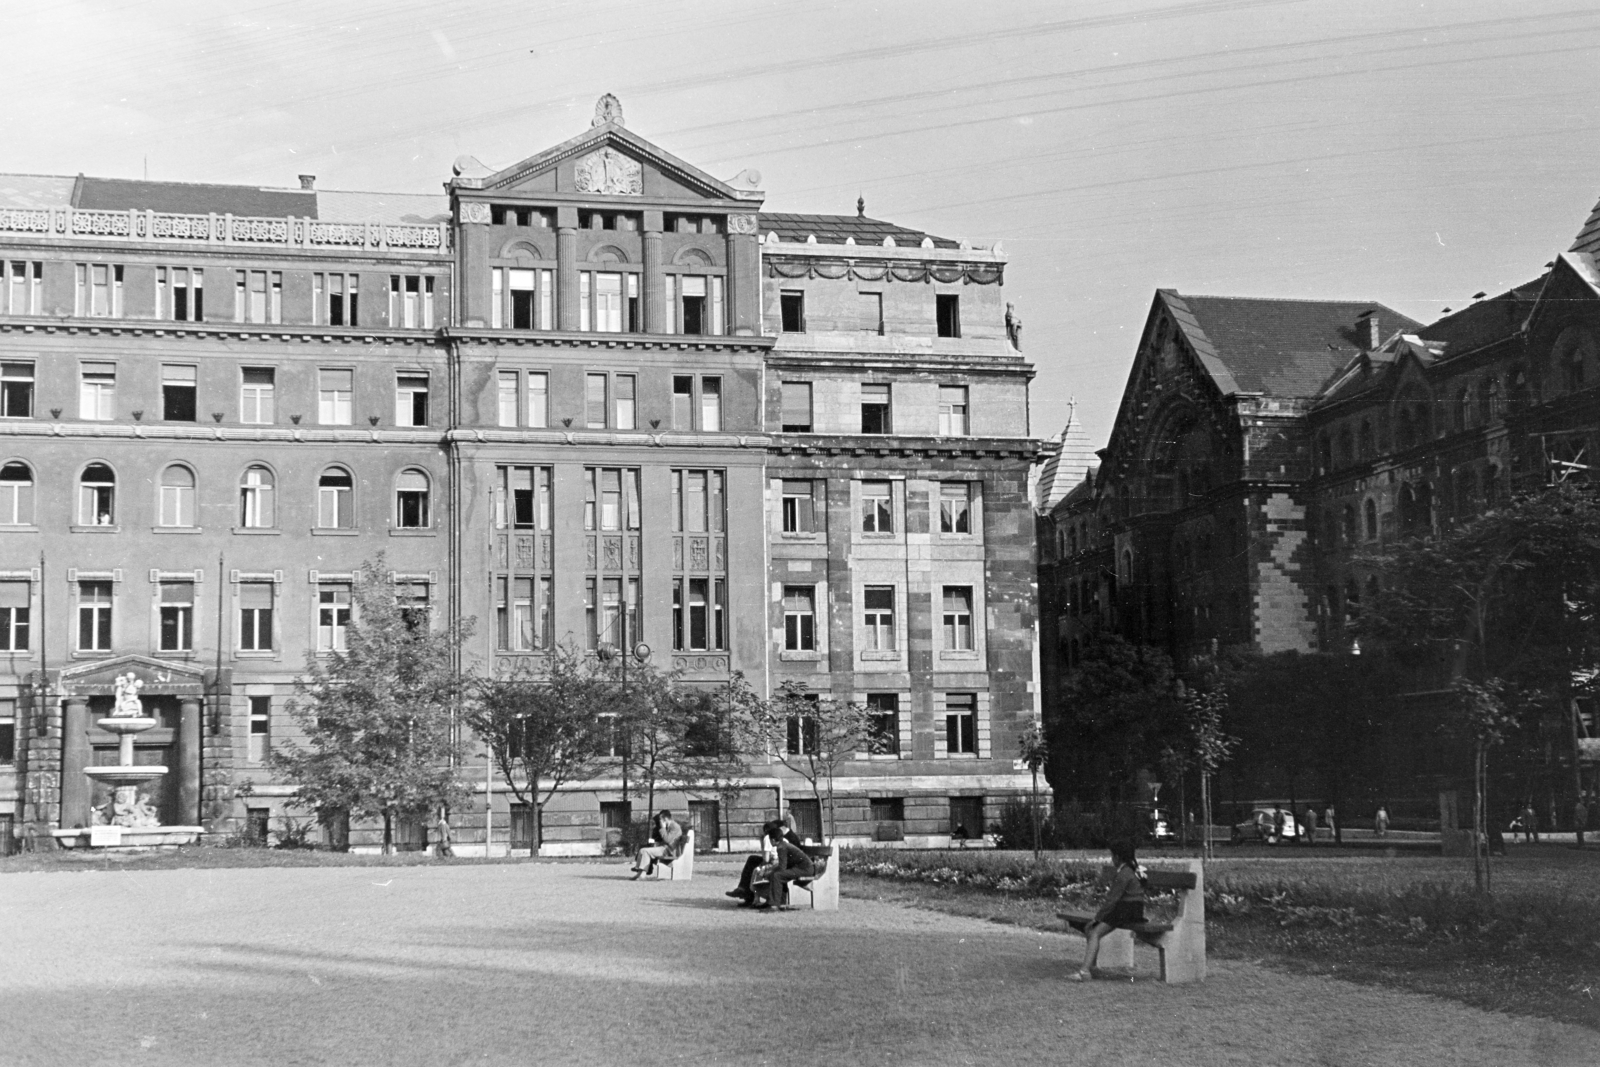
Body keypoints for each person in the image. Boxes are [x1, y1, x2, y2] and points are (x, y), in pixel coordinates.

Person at [1071, 840, 1147, 981]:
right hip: (1134, 910)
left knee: (1094, 932)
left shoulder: (1124, 874)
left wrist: (1097, 918)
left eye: (1112, 856)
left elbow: (1111, 900)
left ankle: (1085, 971)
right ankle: (1091, 968)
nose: (1112, 859)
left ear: (1117, 857)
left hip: (1125, 909)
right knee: (1092, 931)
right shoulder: (1132, 870)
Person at [726, 819, 802, 905]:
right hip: (777, 860)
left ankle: (748, 894)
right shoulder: (784, 835)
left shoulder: (790, 838)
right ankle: (744, 890)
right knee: (752, 859)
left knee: (755, 866)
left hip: (785, 863)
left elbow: (791, 856)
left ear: (781, 828)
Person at [751, 831, 815, 910]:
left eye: (770, 840)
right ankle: (780, 903)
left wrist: (770, 872)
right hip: (803, 868)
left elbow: (782, 867)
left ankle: (774, 905)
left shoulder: (781, 847)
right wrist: (770, 872)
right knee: (775, 875)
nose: (770, 842)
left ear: (773, 840)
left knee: (777, 875)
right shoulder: (783, 845)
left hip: (805, 869)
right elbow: (783, 865)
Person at [631, 809, 683, 879]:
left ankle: (642, 875)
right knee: (642, 850)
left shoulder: (675, 826)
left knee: (645, 851)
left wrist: (663, 828)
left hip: (668, 851)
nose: (659, 821)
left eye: (660, 819)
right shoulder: (671, 825)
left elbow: (667, 840)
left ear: (665, 819)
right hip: (665, 848)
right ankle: (639, 873)